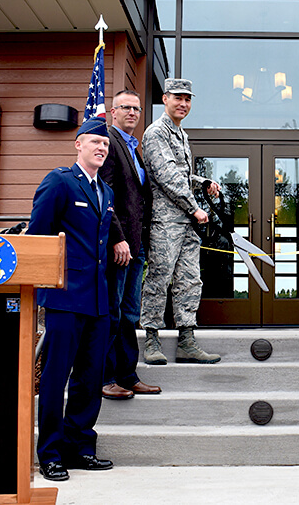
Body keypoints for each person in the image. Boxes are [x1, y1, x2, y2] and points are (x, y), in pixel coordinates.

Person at [26, 116, 116, 482]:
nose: (101, 148)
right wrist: (39, 291)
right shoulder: (60, 183)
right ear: (78, 144)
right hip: (64, 299)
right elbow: (38, 238)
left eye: (106, 145)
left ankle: (80, 447)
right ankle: (49, 453)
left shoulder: (105, 193)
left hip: (98, 302)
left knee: (90, 379)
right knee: (55, 378)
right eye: (94, 141)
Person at [140, 78, 221, 364]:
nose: (183, 104)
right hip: (166, 220)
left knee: (189, 280)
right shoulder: (156, 133)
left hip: (186, 222)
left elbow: (183, 175)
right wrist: (195, 207)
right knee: (159, 278)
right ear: (165, 99)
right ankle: (151, 340)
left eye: (187, 99)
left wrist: (203, 181)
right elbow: (167, 176)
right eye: (178, 98)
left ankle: (186, 339)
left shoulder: (180, 133)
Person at [100, 89, 161, 400]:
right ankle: (106, 376)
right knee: (112, 312)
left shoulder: (133, 148)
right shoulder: (109, 143)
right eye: (126, 108)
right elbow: (106, 195)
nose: (133, 113)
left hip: (136, 248)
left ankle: (128, 375)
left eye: (137, 109)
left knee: (129, 314)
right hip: (119, 248)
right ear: (114, 112)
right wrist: (117, 238)